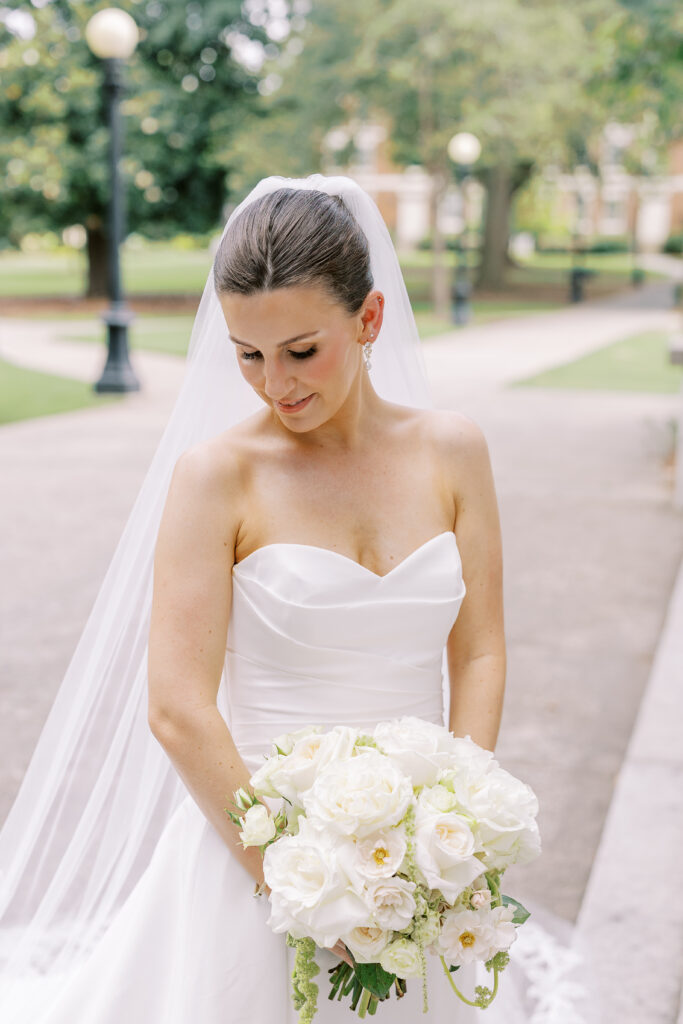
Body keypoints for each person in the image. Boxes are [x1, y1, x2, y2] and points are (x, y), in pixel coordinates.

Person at [0, 175, 595, 1023]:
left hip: (417, 868)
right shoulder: (217, 477)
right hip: (256, 856)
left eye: (300, 351)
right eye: (247, 354)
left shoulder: (453, 452)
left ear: (369, 320)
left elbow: (478, 651)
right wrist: (298, 878)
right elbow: (176, 708)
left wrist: (453, 823)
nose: (274, 383)